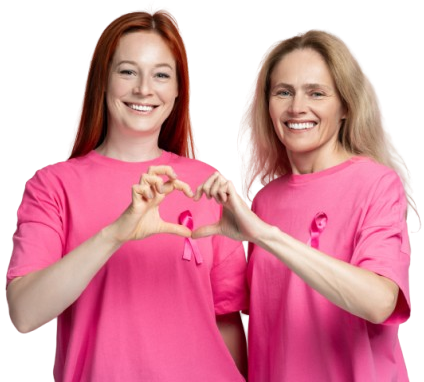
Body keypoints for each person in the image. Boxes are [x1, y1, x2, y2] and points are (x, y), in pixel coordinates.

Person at [5, 6, 248, 382]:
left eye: (161, 75)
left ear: (178, 89)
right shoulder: (52, 186)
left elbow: (228, 321)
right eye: (128, 71)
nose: (143, 89)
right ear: (102, 80)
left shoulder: (207, 185)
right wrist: (115, 233)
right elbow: (24, 314)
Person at [193, 28, 418, 381]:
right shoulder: (264, 201)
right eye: (284, 92)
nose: (297, 107)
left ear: (345, 104)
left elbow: (380, 302)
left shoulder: (376, 184)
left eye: (316, 93)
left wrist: (267, 237)